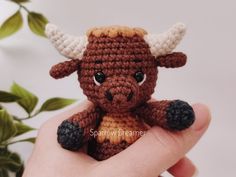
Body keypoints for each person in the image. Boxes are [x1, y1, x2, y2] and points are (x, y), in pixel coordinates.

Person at [23, 101, 211, 177]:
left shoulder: (141, 108)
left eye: (138, 77)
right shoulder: (96, 112)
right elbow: (80, 124)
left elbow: (155, 111)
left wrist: (171, 113)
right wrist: (74, 130)